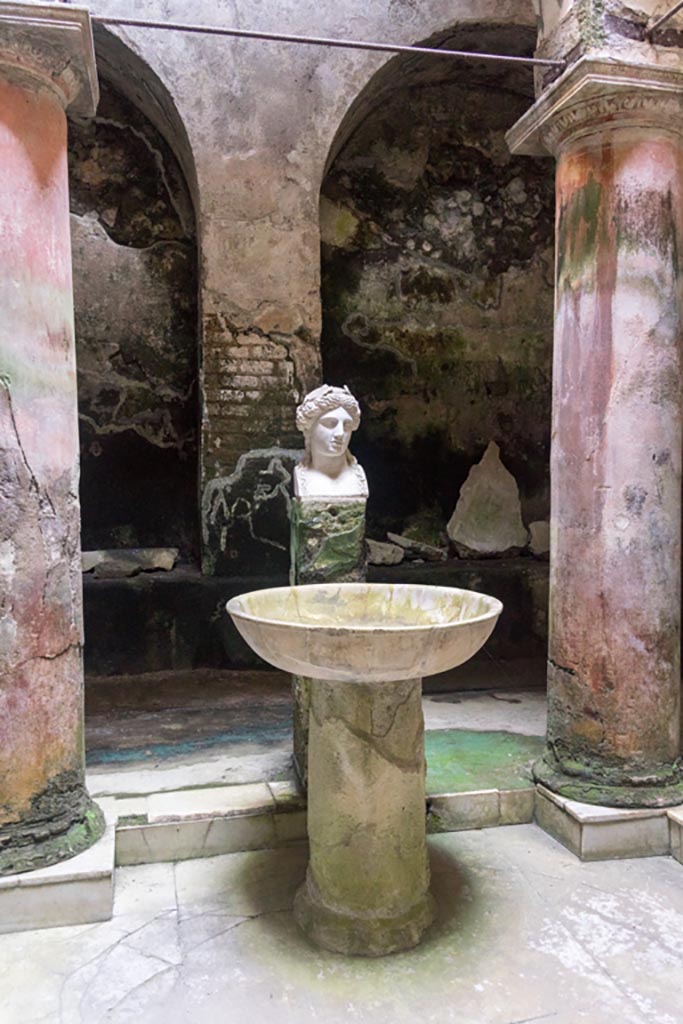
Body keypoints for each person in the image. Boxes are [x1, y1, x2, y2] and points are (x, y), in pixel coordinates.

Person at [293, 384, 368, 499]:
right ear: (309, 429)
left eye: (347, 425)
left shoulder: (357, 477)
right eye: (330, 423)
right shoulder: (303, 479)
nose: (340, 433)